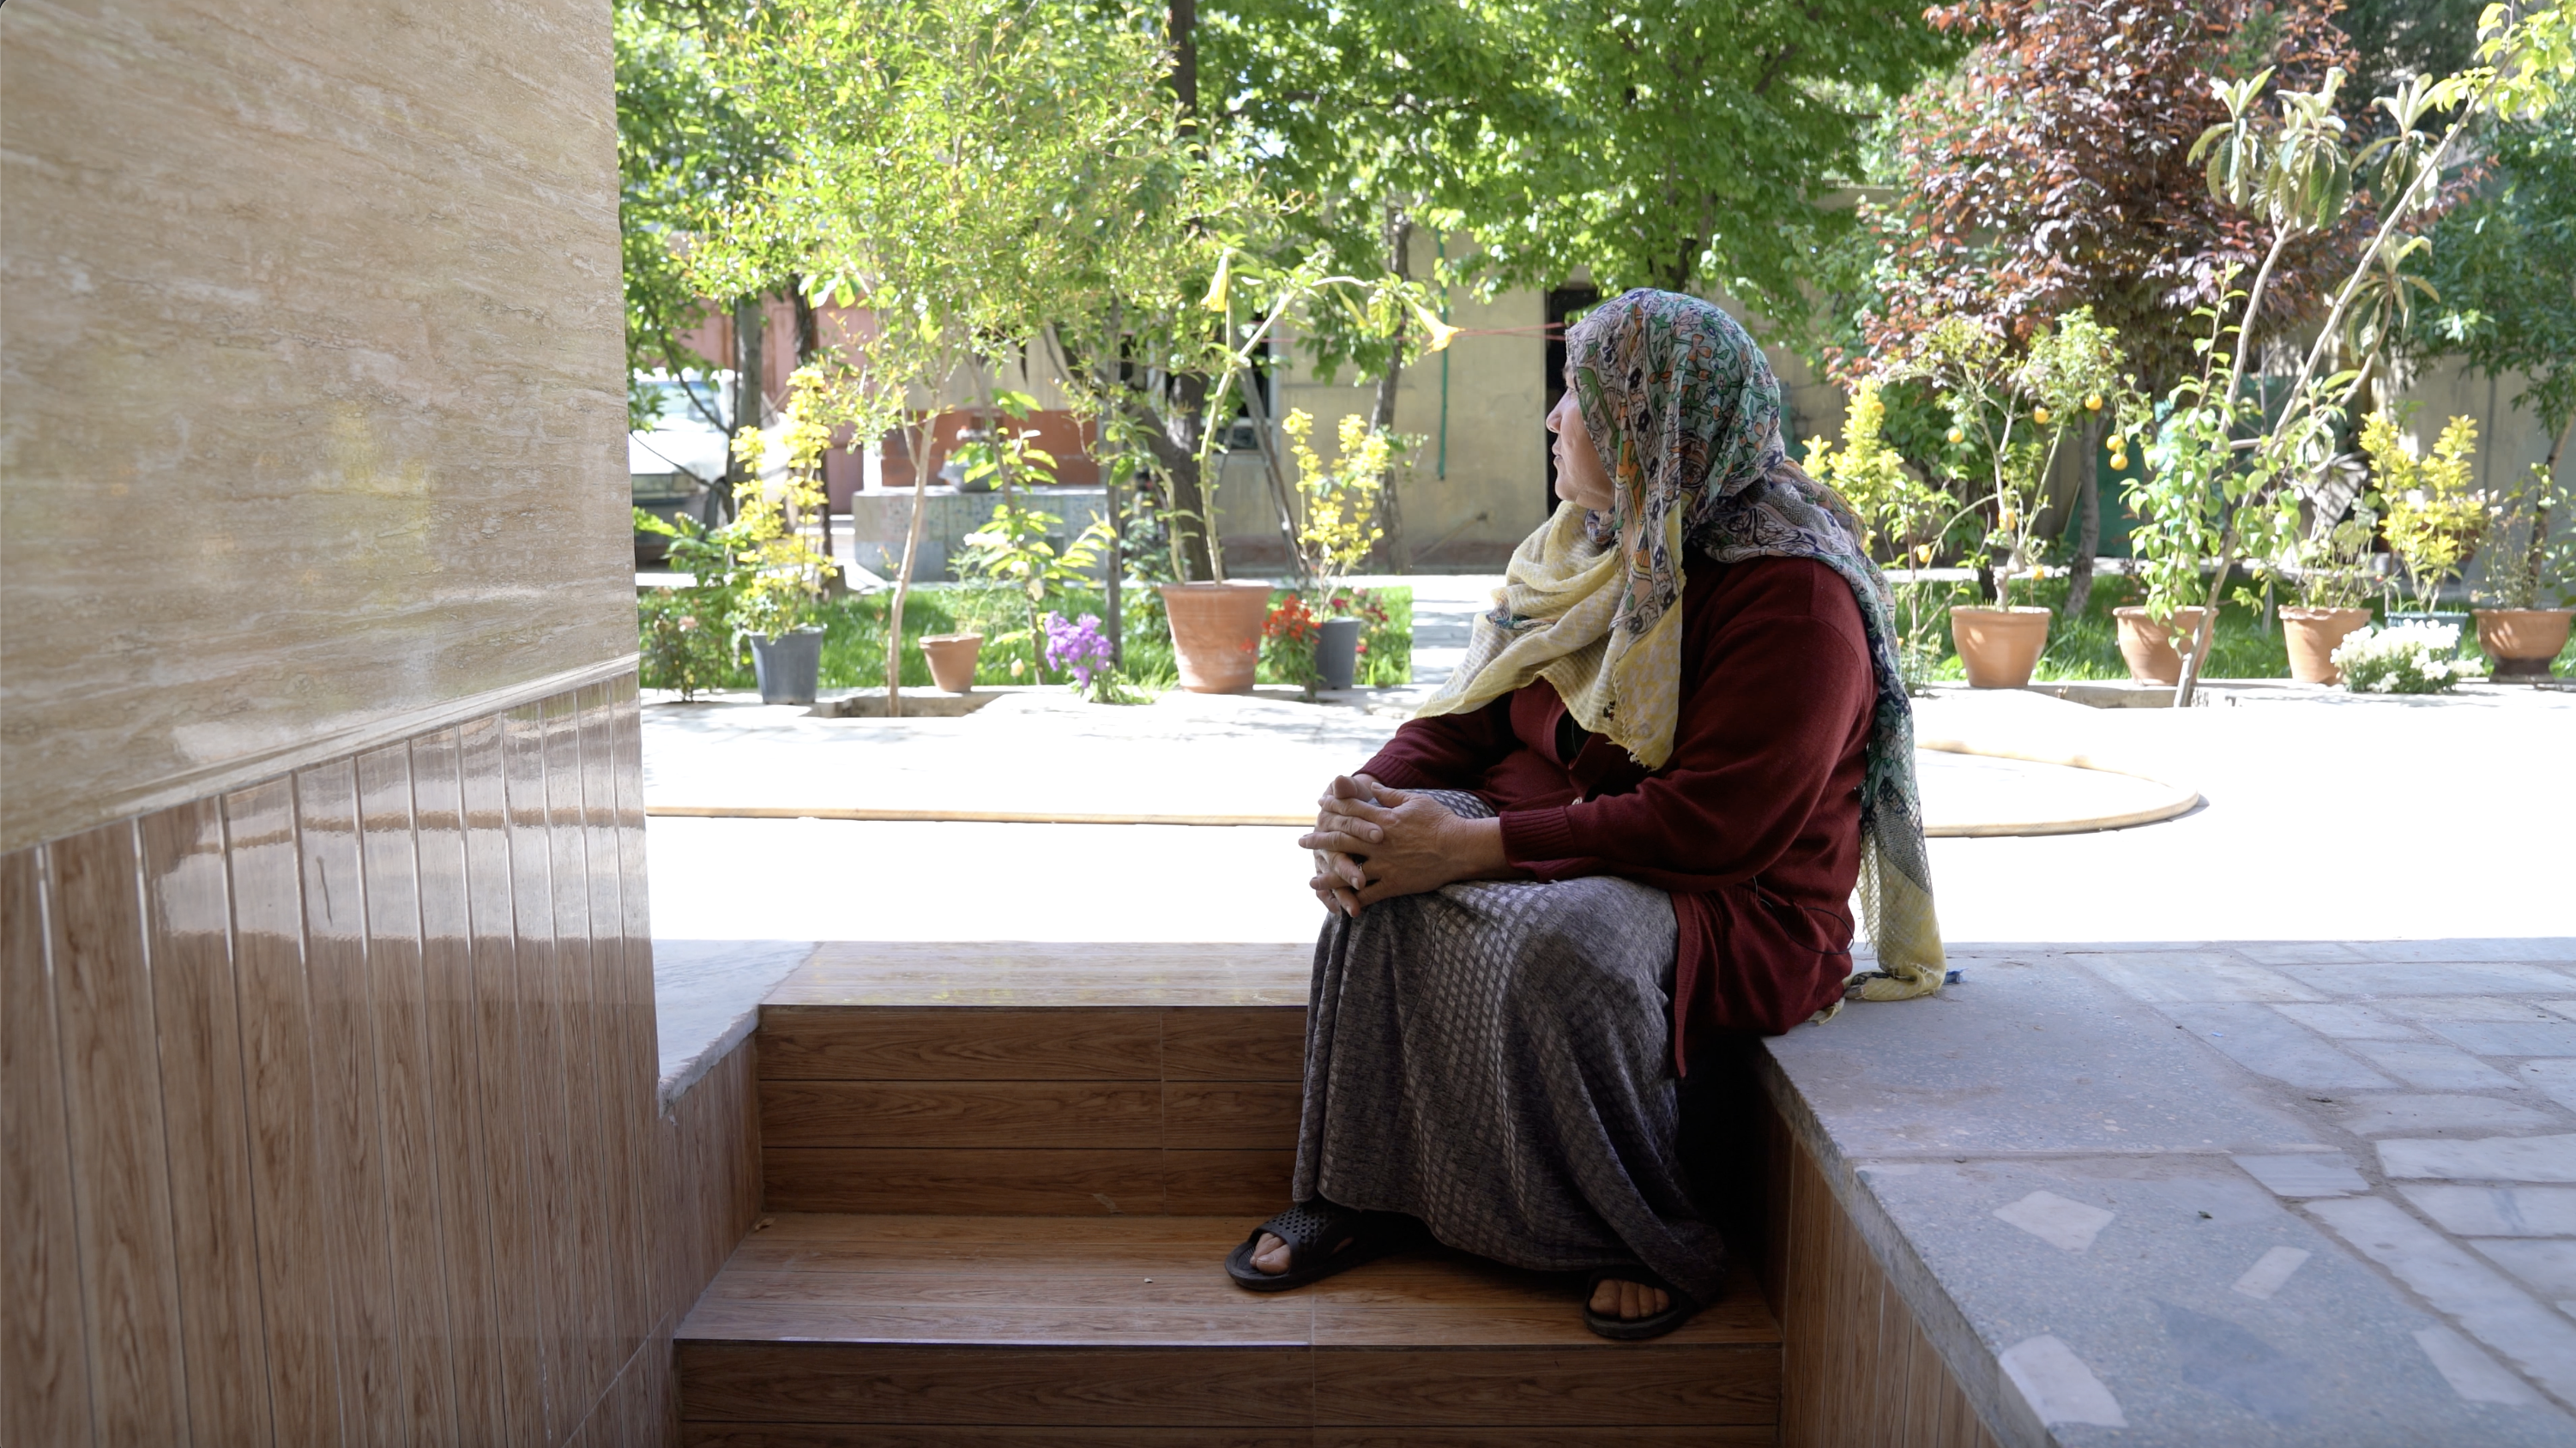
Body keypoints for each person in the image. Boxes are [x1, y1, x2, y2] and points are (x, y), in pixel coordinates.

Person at [1220, 289, 1946, 1340]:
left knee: (1576, 945)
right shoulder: (1592, 541)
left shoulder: (1790, 587)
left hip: (1734, 896)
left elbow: (1715, 824)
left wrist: (1474, 844)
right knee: (1380, 890)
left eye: (1580, 396)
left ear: (1657, 422)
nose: (1554, 418)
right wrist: (1366, 808)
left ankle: (1641, 1228)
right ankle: (1356, 1187)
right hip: (1577, 830)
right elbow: (1473, 717)